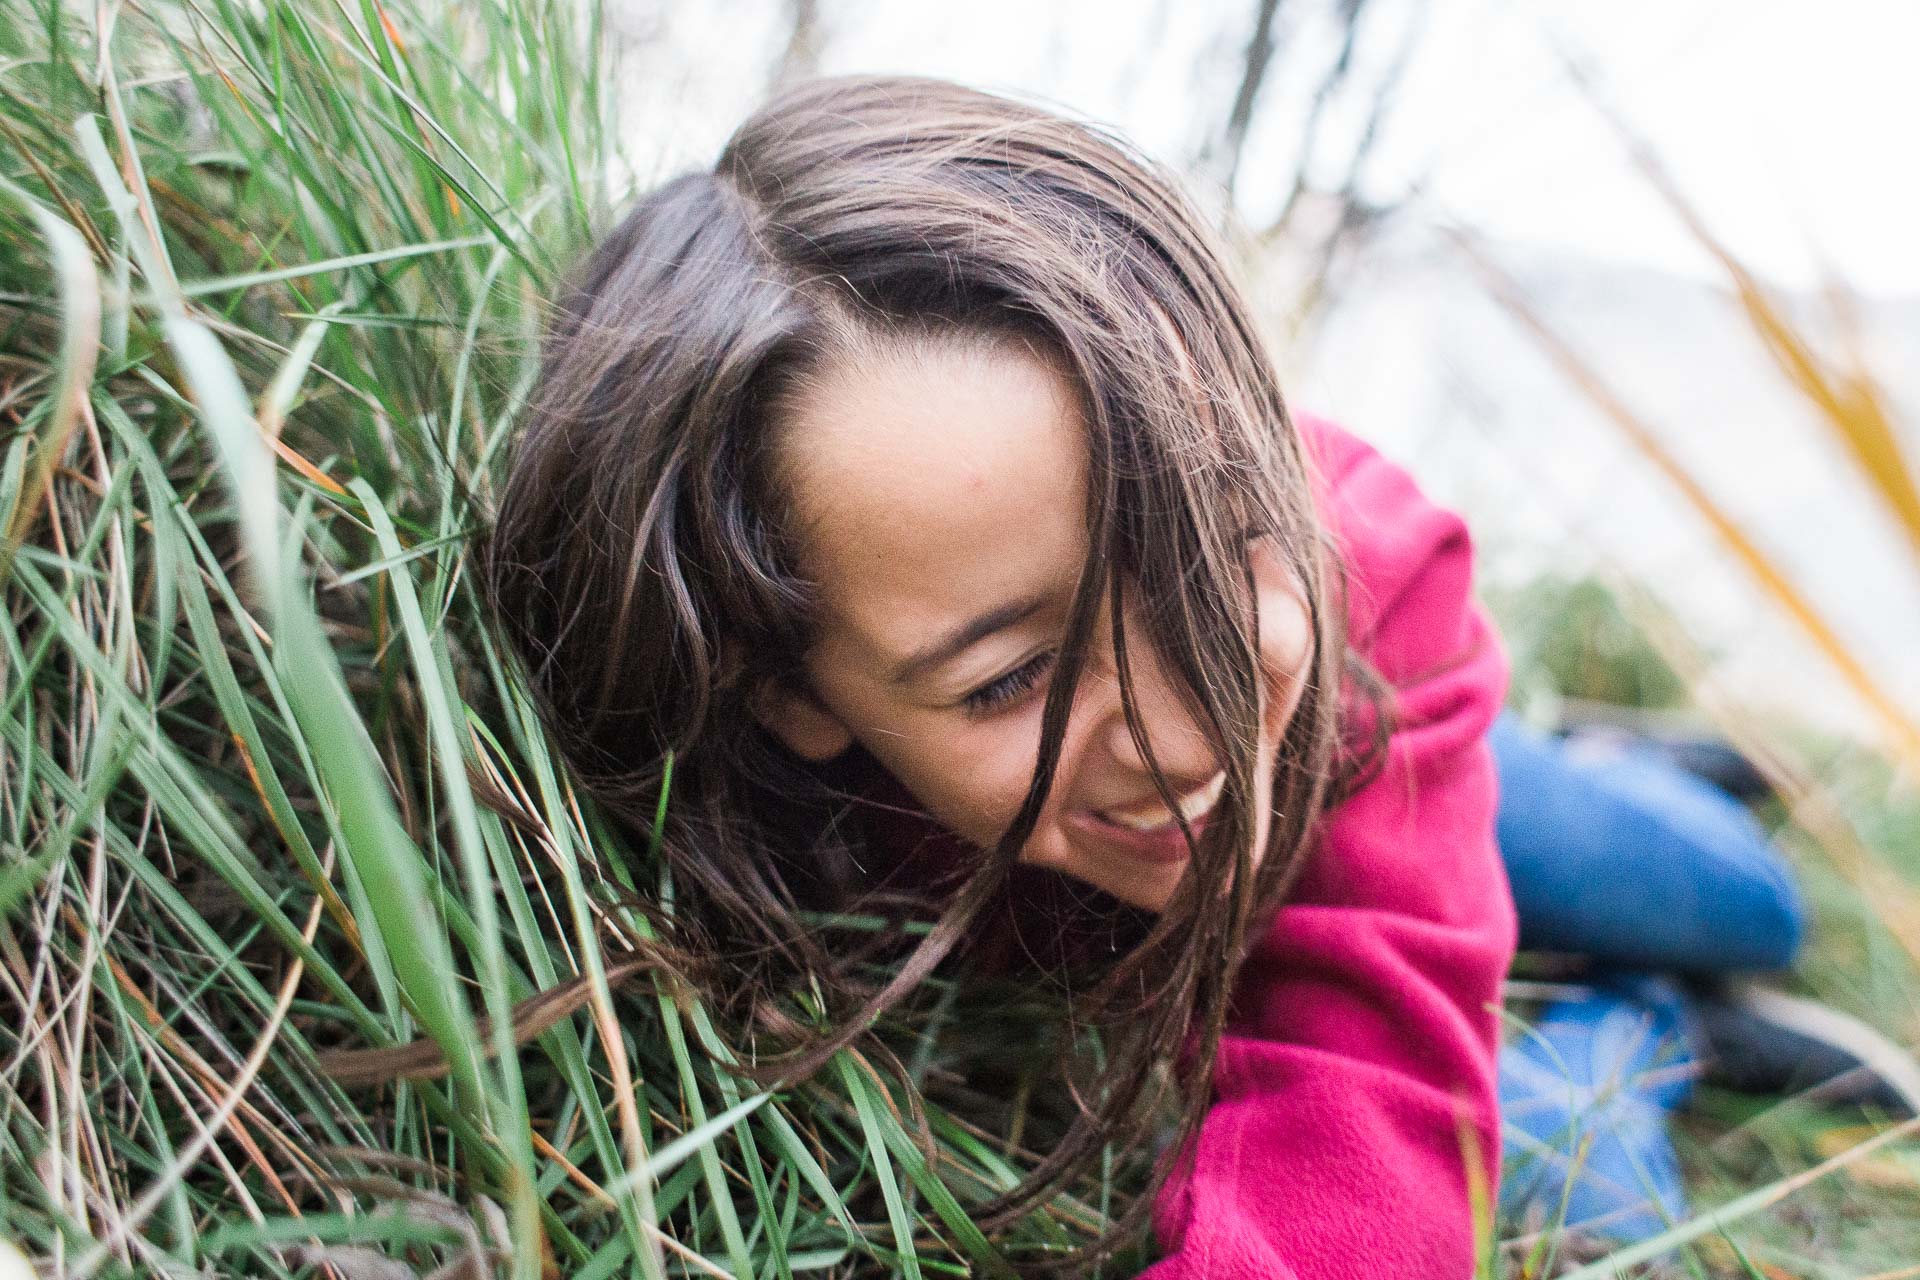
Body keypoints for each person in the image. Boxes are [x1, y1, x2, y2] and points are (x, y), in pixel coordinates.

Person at [475, 73, 1914, 1277]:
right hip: (1314, 754)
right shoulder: (731, 766)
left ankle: (1610, 781)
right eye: (1009, 680)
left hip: (1369, 726)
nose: (1181, 743)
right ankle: (1642, 1021)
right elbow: (1368, 1111)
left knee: (1748, 904)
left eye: (1211, 563)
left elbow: (1370, 1086)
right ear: (794, 694)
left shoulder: (1365, 579)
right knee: (1586, 1198)